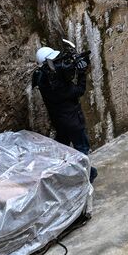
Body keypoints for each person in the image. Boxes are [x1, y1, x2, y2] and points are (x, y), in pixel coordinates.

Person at [32, 44, 97, 182]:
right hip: (73, 120)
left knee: (62, 148)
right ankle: (86, 178)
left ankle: (60, 176)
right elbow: (79, 90)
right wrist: (81, 73)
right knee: (82, 149)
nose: (58, 64)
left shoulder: (41, 78)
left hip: (59, 121)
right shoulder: (57, 85)